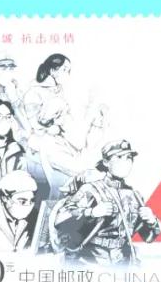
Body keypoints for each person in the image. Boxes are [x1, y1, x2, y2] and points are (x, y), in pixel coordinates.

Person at [50, 140, 161, 264]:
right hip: (91, 259)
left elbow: (148, 238)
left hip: (124, 259)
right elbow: (60, 219)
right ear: (106, 162)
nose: (125, 162)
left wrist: (152, 222)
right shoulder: (91, 189)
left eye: (129, 158)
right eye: (119, 157)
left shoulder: (135, 195)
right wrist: (91, 212)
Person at [24, 53, 107, 196]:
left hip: (57, 140)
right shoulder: (34, 93)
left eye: (69, 70)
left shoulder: (57, 91)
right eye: (64, 69)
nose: (67, 74)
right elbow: (36, 124)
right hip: (43, 144)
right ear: (52, 70)